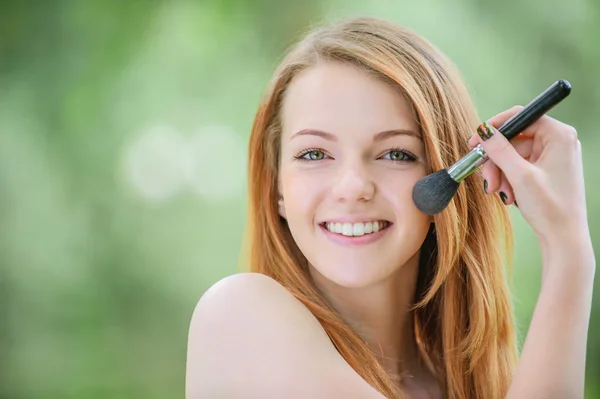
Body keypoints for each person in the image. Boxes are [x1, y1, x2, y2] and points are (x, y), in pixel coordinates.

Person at [185, 17, 595, 398]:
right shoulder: (238, 319)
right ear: (276, 188)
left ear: (448, 178)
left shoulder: (467, 385)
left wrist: (568, 246)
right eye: (313, 154)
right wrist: (570, 257)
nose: (353, 187)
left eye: (396, 154)